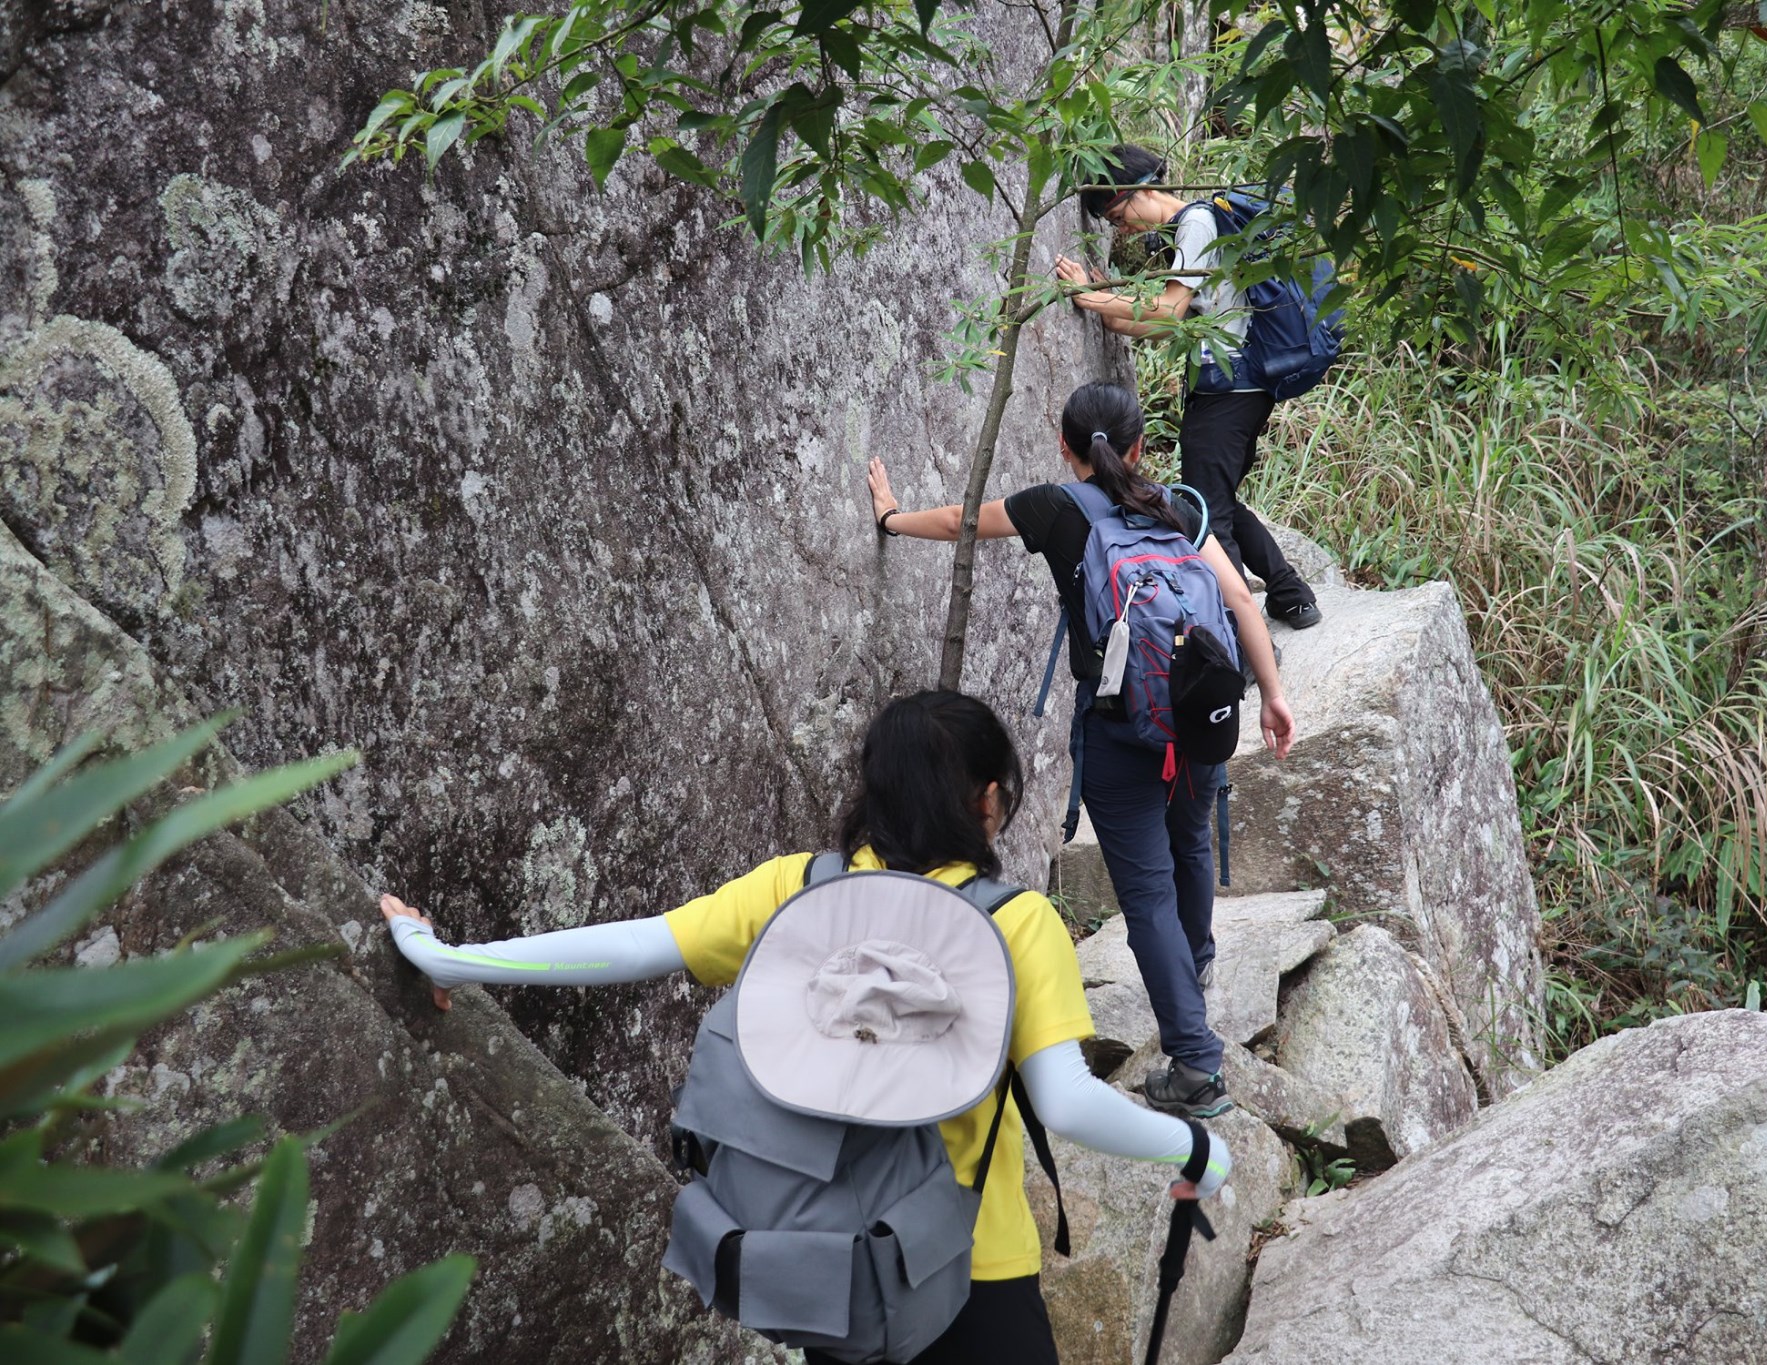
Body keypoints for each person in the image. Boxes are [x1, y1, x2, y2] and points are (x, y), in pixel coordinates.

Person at [381, 689, 1230, 1365]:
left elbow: (637, 943)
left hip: (837, 1277)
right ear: (988, 799)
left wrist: (452, 957)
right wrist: (1195, 1149)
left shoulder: (800, 889)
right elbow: (1067, 1103)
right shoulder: (1013, 920)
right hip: (970, 1272)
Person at [865, 381, 1296, 1121]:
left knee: (1146, 892)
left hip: (1122, 727)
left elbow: (961, 523)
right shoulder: (1181, 508)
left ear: (1064, 446)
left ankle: (1195, 1061)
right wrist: (1274, 695)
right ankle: (1193, 974)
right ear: (1139, 448)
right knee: (1191, 843)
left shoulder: (1054, 509)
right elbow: (1241, 600)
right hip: (1195, 717)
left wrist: (891, 516)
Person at [1053, 144, 1323, 631]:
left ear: (1145, 189)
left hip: (1228, 389)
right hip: (1238, 389)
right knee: (1214, 499)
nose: (1123, 228)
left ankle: (1239, 637)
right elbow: (1165, 326)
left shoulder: (1196, 222)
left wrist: (1091, 296)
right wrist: (1107, 306)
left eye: (1118, 213)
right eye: (1113, 222)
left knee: (1208, 513)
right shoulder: (1191, 230)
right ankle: (1290, 595)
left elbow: (1168, 310)